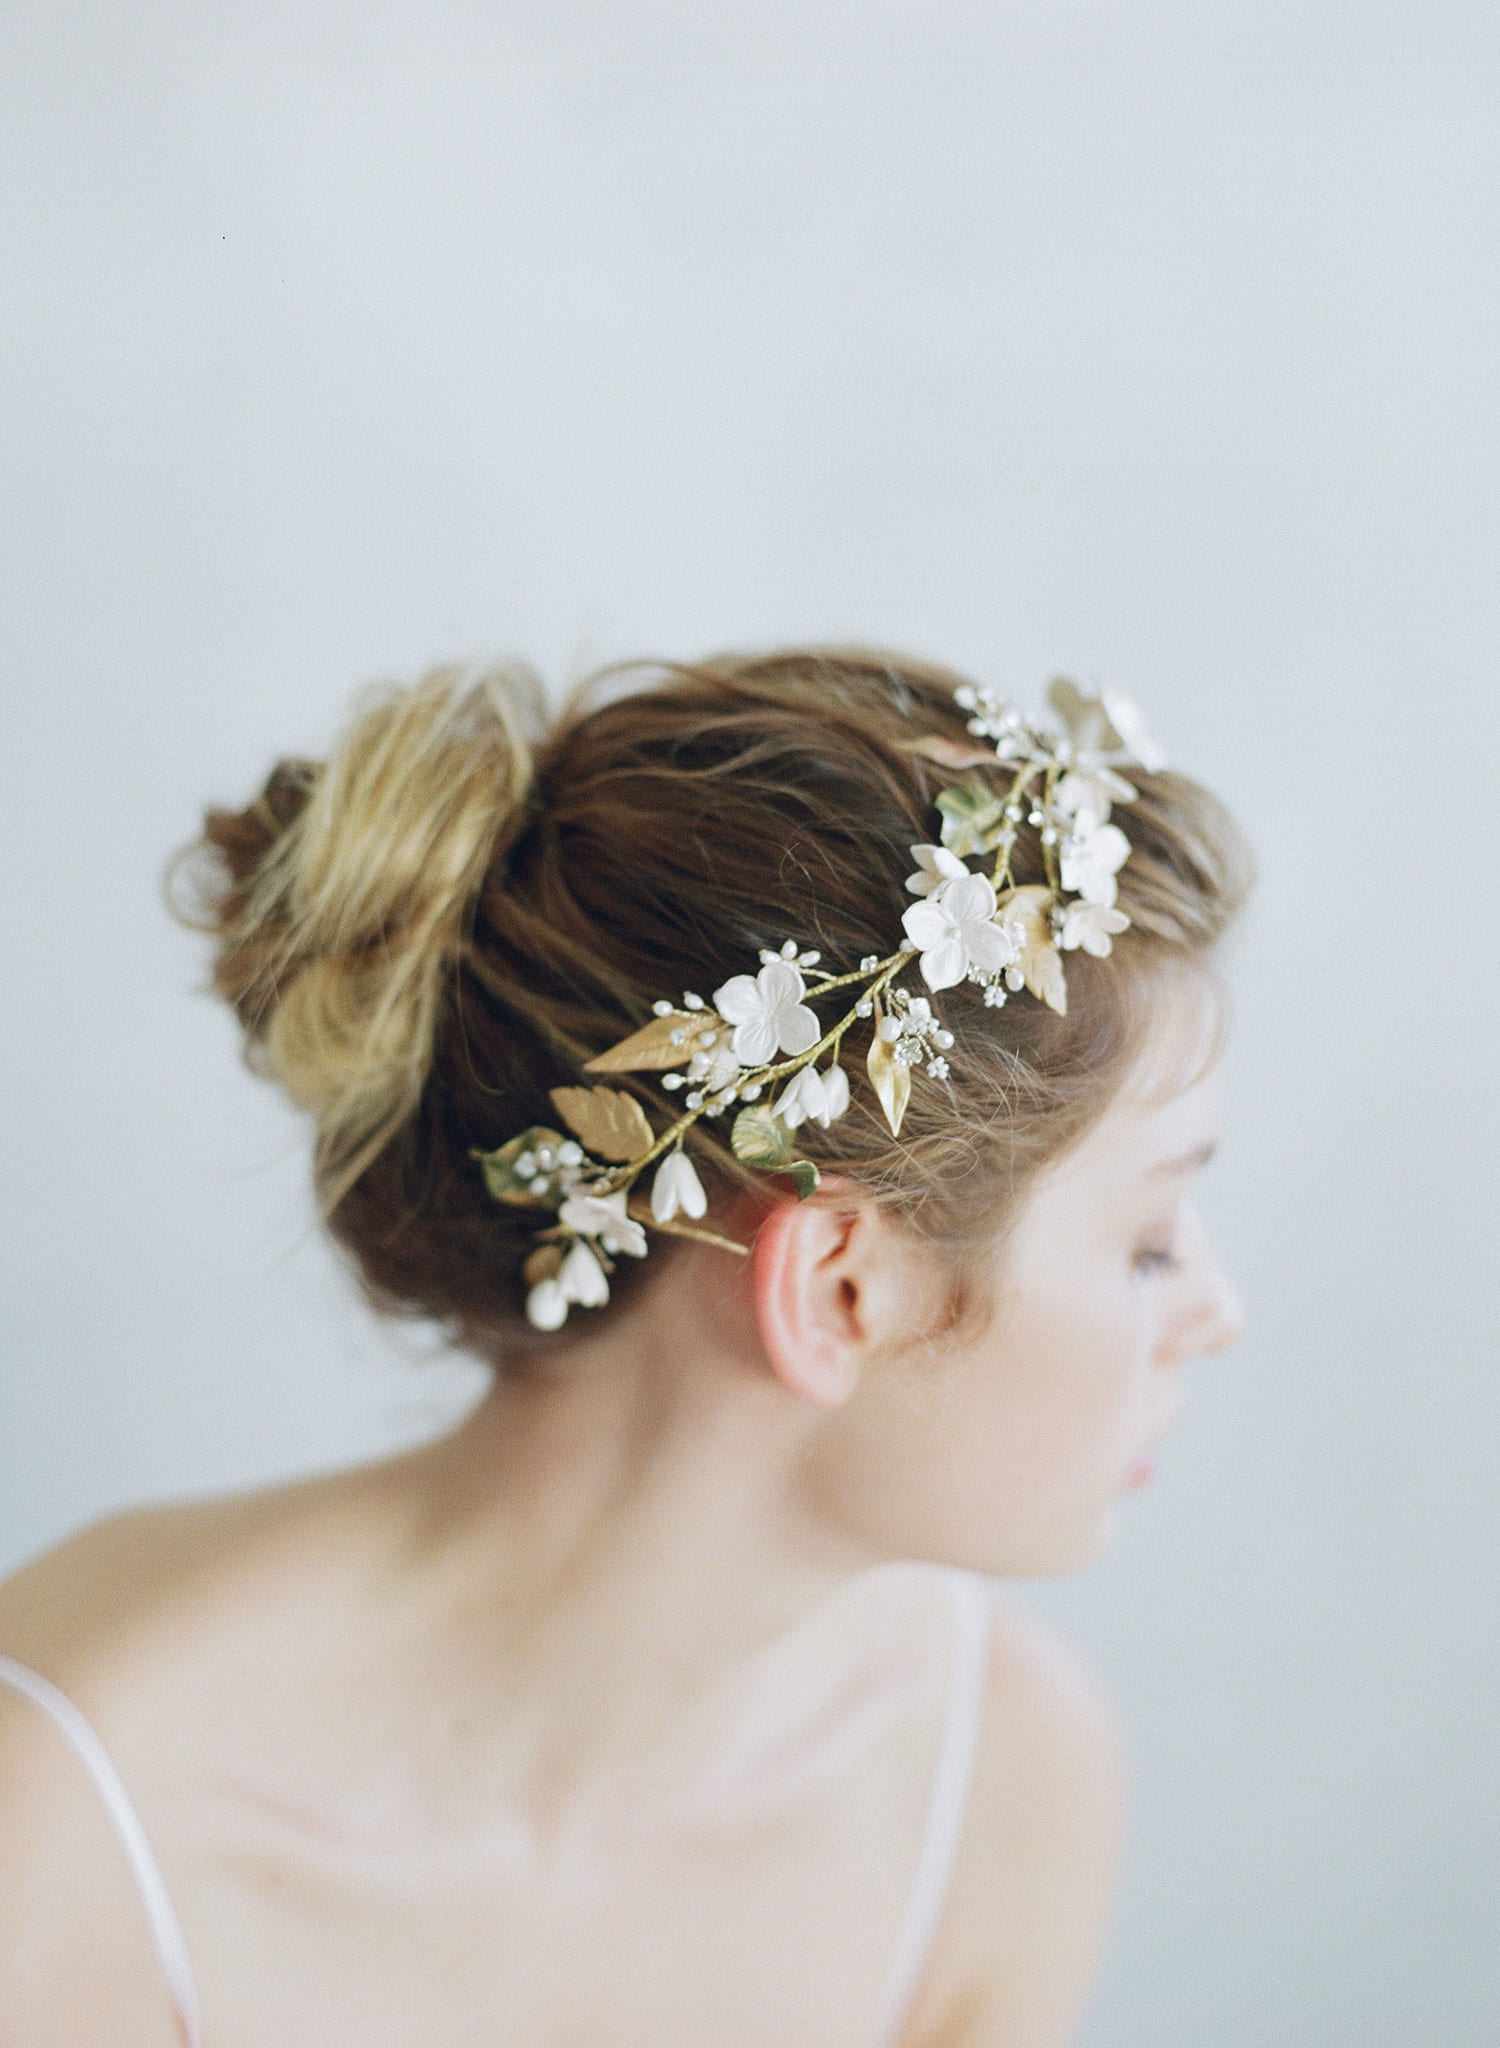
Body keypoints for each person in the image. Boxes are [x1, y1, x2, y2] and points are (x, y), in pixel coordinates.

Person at [0, 648, 1250, 2046]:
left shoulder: (1004, 1778)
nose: (1217, 1312)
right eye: (1147, 1241)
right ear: (838, 1288)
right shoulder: (61, 1823)